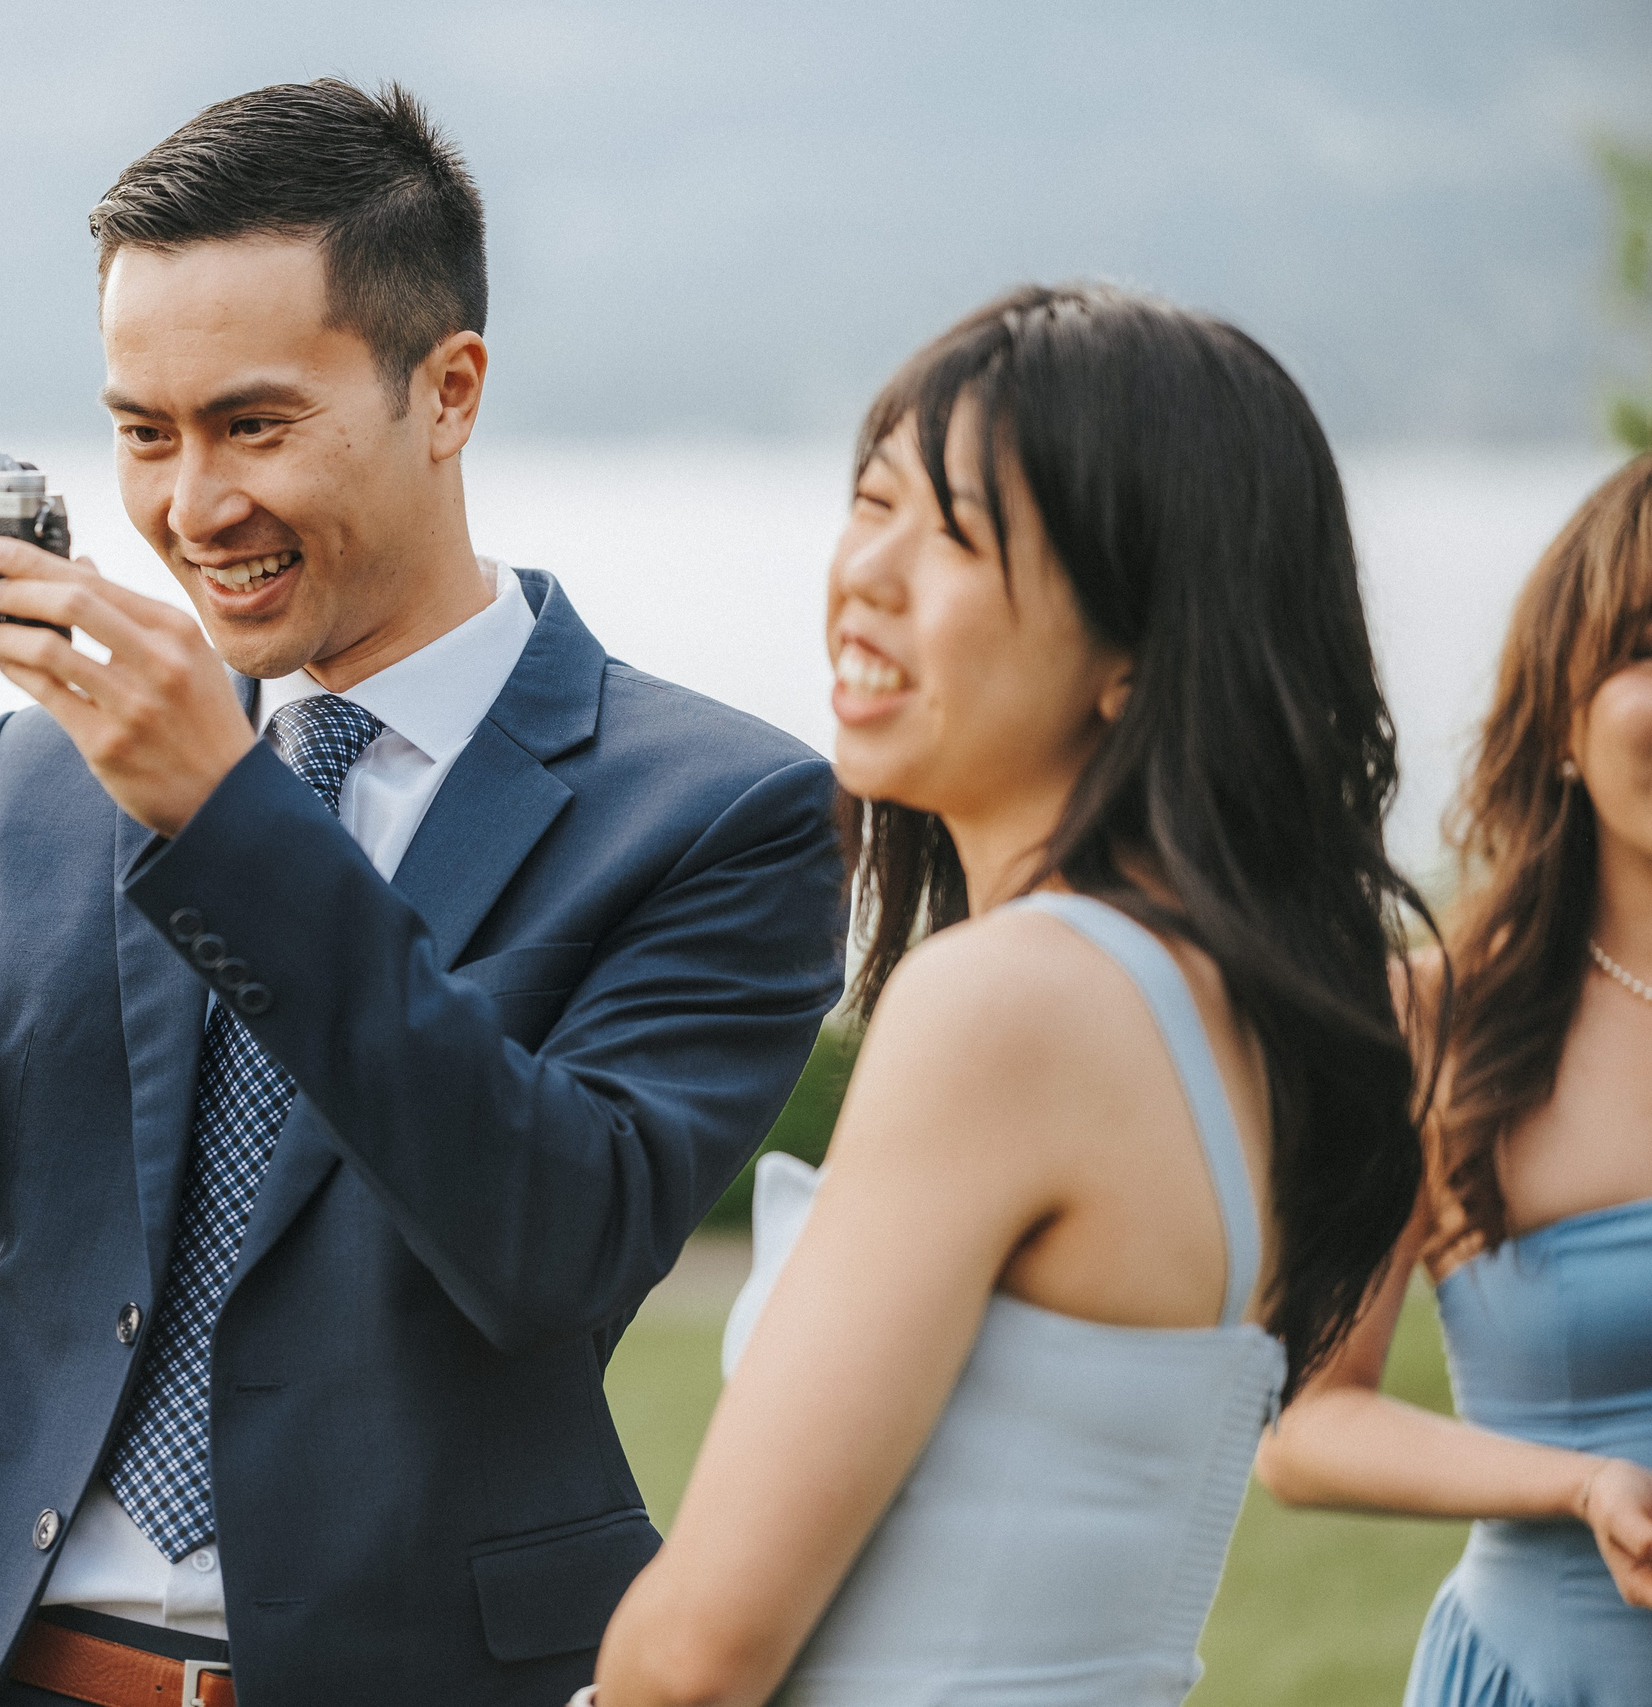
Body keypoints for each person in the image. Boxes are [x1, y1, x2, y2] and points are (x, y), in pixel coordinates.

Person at [0, 79, 847, 1707]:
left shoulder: (725, 808)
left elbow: (553, 1248)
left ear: (448, 393)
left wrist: (229, 822)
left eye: (254, 424)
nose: (189, 507)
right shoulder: (37, 778)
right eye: (143, 433)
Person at [584, 284, 1434, 1706]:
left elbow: (698, 1653)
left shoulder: (1009, 1000)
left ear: (1140, 644)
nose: (867, 573)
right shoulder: (1249, 1001)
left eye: (961, 534)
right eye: (873, 502)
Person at [1254, 454, 1652, 1704]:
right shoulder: (1430, 1019)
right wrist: (1577, 1482)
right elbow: (1304, 1426)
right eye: (1645, 643)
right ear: (1562, 715)